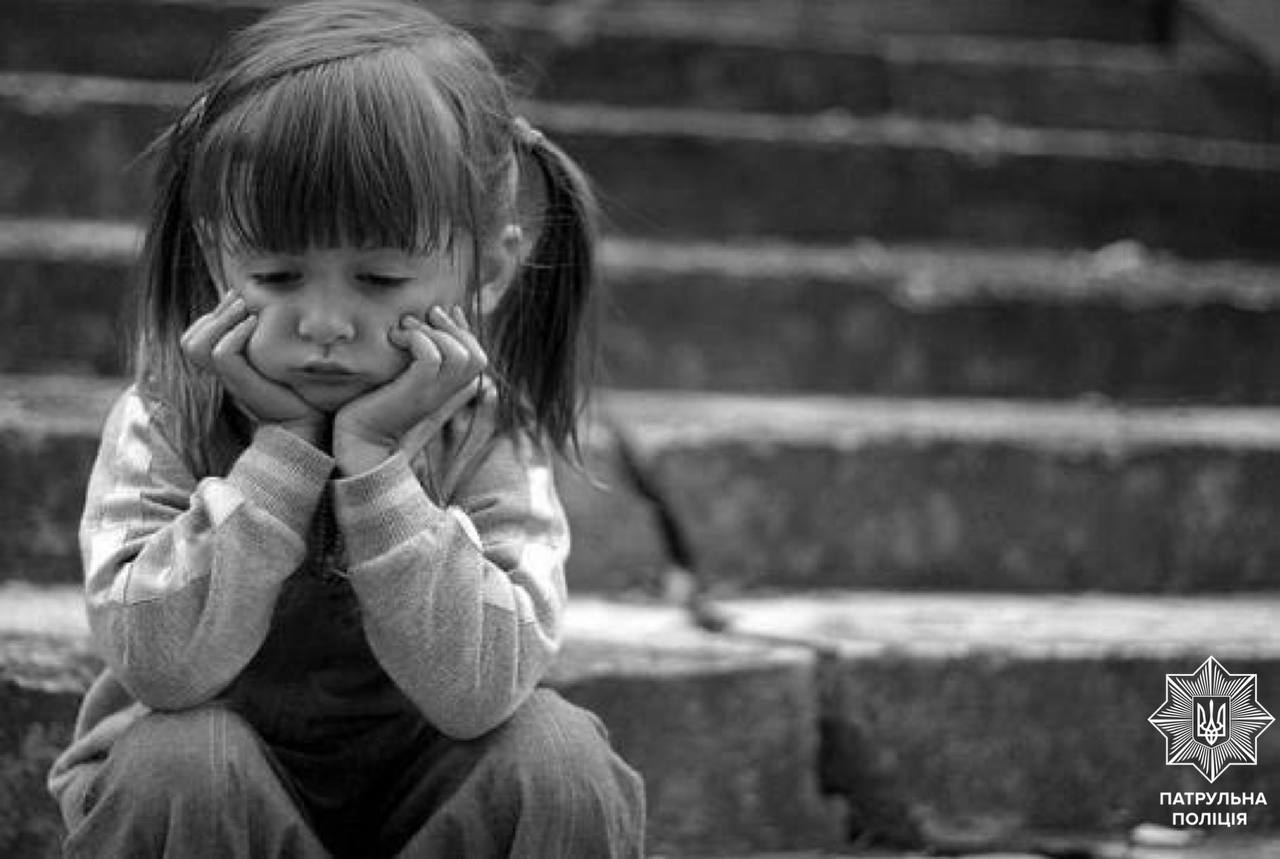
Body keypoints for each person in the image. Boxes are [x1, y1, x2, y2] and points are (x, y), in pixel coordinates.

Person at [45, 0, 646, 855]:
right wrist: (281, 458)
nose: (324, 322)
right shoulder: (168, 414)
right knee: (181, 761)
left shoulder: (488, 433)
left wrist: (379, 474)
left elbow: (483, 689)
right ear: (216, 255)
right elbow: (161, 665)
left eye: (379, 278)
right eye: (277, 274)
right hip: (220, 810)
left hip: (433, 803)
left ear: (491, 269)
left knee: (560, 758)